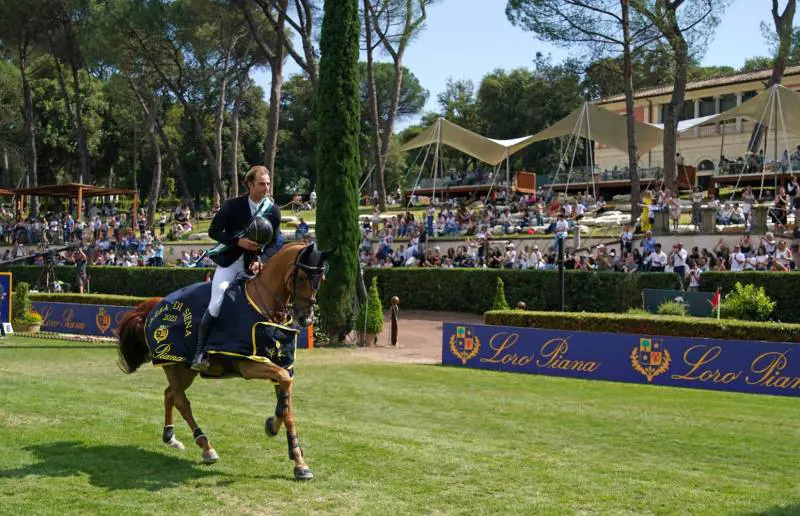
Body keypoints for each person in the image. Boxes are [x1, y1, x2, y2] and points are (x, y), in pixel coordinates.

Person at [191, 166, 283, 372]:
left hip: (255, 266)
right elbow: (214, 231)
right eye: (261, 184)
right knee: (217, 301)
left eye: (268, 184)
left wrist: (262, 259)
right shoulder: (233, 206)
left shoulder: (273, 210)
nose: (266, 188)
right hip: (230, 264)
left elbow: (277, 242)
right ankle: (200, 352)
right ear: (249, 184)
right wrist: (238, 241)